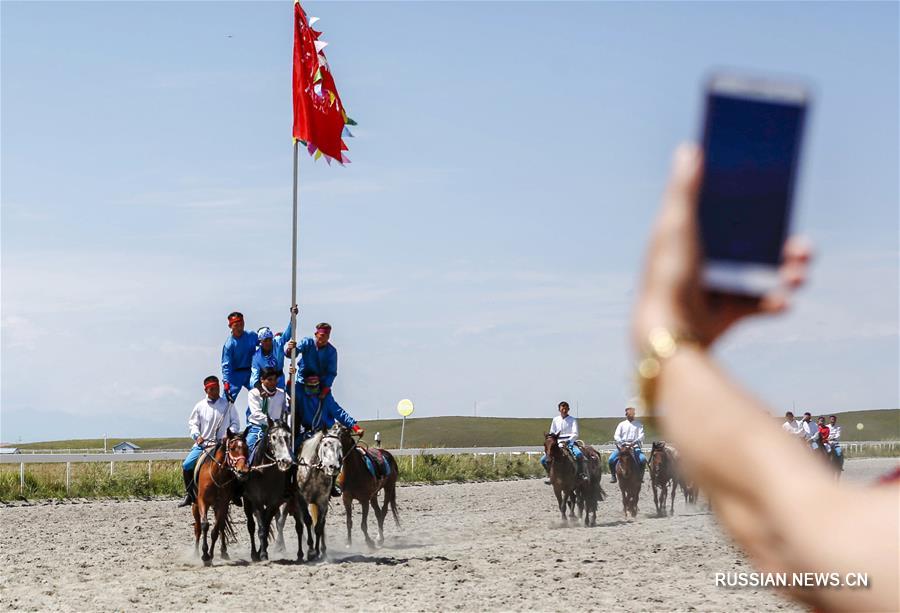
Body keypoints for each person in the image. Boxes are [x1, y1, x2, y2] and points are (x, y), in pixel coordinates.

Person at [631, 143, 897, 611]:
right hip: (639, 442)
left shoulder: (817, 427)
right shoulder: (609, 423)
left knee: (827, 449)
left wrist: (666, 334)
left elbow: (808, 542)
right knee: (618, 459)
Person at [178, 376, 240, 507]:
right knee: (186, 465)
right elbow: (193, 424)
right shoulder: (199, 406)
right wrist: (197, 436)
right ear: (206, 390)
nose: (215, 391)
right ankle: (190, 494)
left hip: (223, 445)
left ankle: (235, 493)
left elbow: (235, 423)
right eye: (212, 389)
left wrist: (228, 435)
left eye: (217, 388)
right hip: (203, 445)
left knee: (237, 464)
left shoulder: (228, 405)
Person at [245, 367, 290, 464]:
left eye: (275, 379)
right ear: (262, 380)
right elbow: (256, 414)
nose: (273, 382)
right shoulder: (254, 393)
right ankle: (245, 472)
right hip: (258, 428)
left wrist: (290, 405)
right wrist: (272, 422)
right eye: (269, 380)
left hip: (277, 430)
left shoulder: (282, 394)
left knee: (289, 450)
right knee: (247, 447)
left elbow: (286, 410)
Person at [285, 321, 338, 400]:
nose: (324, 339)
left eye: (327, 336)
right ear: (316, 334)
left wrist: (324, 390)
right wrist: (290, 348)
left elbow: (331, 372)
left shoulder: (332, 351)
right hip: (302, 381)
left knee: (327, 405)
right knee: (295, 398)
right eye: (322, 335)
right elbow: (293, 354)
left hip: (319, 386)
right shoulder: (307, 342)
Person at [540, 401, 587, 483]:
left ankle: (581, 474)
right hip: (557, 443)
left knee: (579, 454)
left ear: (568, 409)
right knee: (543, 460)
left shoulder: (572, 420)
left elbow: (575, 433)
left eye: (566, 408)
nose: (564, 410)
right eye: (562, 408)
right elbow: (552, 432)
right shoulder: (555, 420)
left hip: (570, 442)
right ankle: (550, 475)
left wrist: (568, 441)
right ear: (559, 409)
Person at [221, 312, 259, 406]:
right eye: (236, 325)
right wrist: (226, 382)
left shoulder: (251, 336)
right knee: (227, 400)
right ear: (231, 326)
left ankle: (253, 419)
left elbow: (265, 344)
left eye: (241, 324)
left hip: (251, 372)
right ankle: (221, 419)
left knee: (258, 395)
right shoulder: (229, 345)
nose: (239, 328)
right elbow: (226, 365)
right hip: (235, 374)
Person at [608, 406, 646, 483]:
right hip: (623, 447)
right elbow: (616, 435)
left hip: (634, 447)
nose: (630, 415)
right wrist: (622, 442)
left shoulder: (638, 424)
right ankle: (613, 476)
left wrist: (635, 442)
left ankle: (640, 476)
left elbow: (641, 436)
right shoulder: (621, 424)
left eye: (632, 414)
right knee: (611, 459)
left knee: (642, 459)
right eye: (629, 414)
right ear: (626, 414)